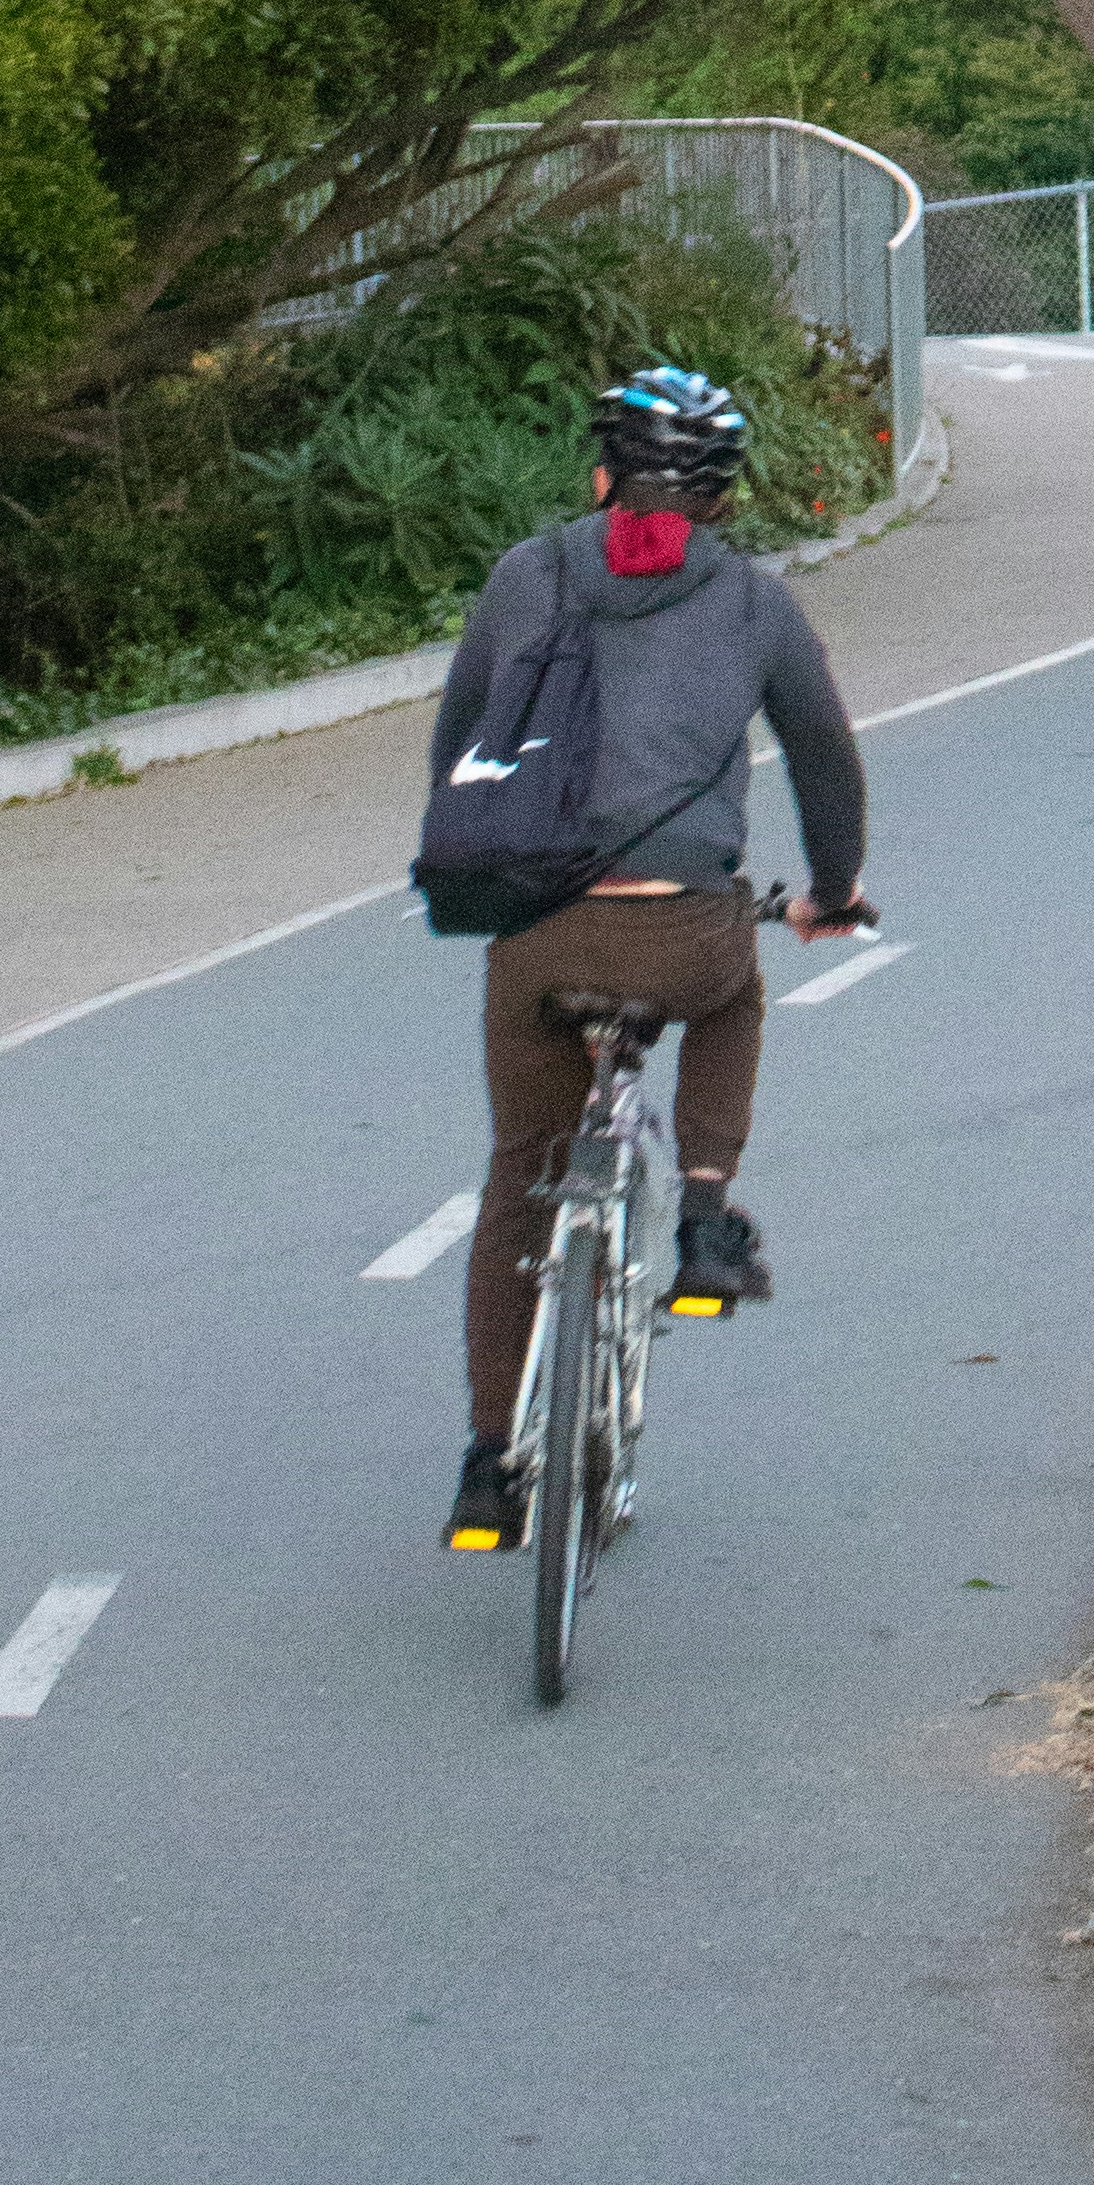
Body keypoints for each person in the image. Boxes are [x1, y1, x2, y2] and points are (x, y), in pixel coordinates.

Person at [430, 363, 873, 1557]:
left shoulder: (527, 576)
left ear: (597, 476)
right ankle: (708, 1217)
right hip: (685, 926)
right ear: (724, 502)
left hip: (537, 929)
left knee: (519, 1168)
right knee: (733, 997)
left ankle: (487, 1467)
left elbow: (460, 743)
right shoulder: (753, 603)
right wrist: (831, 892)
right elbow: (825, 758)